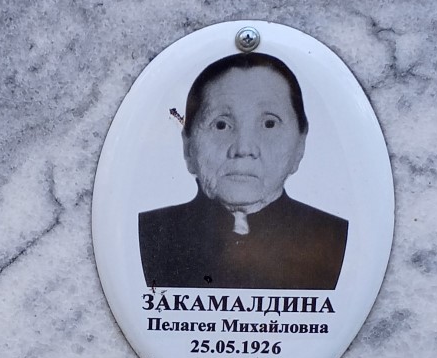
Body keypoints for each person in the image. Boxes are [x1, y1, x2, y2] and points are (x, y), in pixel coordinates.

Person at [138, 53, 348, 289]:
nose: (243, 148)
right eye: (221, 125)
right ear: (188, 146)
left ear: (300, 144)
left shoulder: (335, 239)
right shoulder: (148, 236)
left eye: (269, 123)